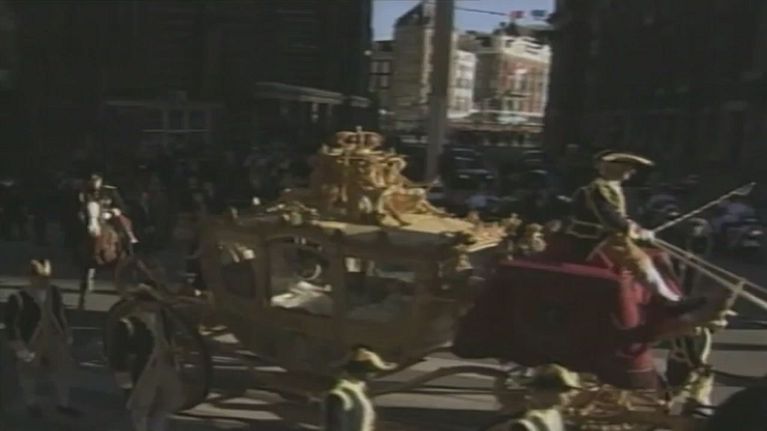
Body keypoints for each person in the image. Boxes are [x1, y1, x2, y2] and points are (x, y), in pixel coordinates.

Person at [564, 150, 682, 303]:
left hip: (611, 236)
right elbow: (609, 218)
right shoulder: (598, 189)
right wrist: (635, 231)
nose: (632, 171)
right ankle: (668, 300)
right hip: (595, 239)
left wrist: (638, 229)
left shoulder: (611, 187)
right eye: (627, 167)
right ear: (615, 168)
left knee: (659, 255)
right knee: (639, 259)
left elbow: (619, 217)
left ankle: (676, 293)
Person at [3, 260, 80, 417]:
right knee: (28, 372)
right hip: (31, 340)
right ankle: (31, 403)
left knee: (62, 370)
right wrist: (19, 347)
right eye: (40, 278)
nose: (44, 281)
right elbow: (11, 324)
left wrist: (67, 332)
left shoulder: (54, 292)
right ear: (31, 277)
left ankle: (63, 403)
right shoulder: (18, 297)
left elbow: (60, 313)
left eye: (46, 278)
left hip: (54, 337)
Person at [110, 285, 184, 431]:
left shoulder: (163, 319)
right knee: (141, 406)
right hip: (144, 368)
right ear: (142, 302)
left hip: (164, 364)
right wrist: (123, 376)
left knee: (168, 400)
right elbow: (118, 352)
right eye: (154, 301)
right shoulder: (128, 323)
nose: (158, 305)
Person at [323, 346, 397, 431]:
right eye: (370, 370)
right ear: (359, 370)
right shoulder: (339, 395)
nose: (374, 374)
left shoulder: (359, 392)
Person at [78, 172, 138, 244]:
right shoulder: (86, 193)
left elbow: (121, 206)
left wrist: (112, 212)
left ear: (101, 180)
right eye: (92, 180)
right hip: (92, 218)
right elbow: (83, 207)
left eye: (97, 180)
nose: (94, 183)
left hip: (108, 215)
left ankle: (129, 237)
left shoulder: (110, 191)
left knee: (121, 220)